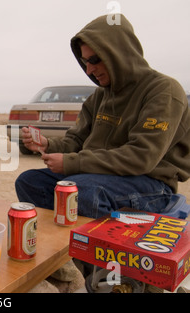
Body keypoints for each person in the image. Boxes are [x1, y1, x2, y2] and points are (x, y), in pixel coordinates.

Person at [15, 14, 190, 218]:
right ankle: (63, 241)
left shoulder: (163, 90)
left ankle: (92, 245)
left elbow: (141, 157)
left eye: (95, 60)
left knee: (83, 192)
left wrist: (72, 162)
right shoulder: (99, 96)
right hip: (96, 176)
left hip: (150, 183)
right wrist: (48, 145)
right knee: (29, 182)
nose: (89, 69)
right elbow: (77, 140)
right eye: (85, 62)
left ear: (117, 53)